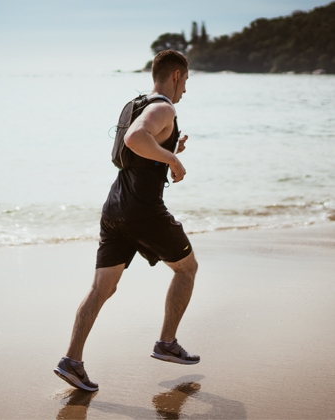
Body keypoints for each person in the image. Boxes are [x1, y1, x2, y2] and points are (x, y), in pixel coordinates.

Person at [54, 50, 199, 392]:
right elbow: (136, 139)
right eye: (186, 81)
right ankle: (167, 342)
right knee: (187, 269)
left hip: (115, 208)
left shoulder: (135, 104)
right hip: (143, 211)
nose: (185, 91)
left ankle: (71, 361)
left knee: (101, 289)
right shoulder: (164, 107)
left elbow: (131, 153)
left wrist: (167, 150)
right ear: (176, 75)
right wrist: (173, 162)